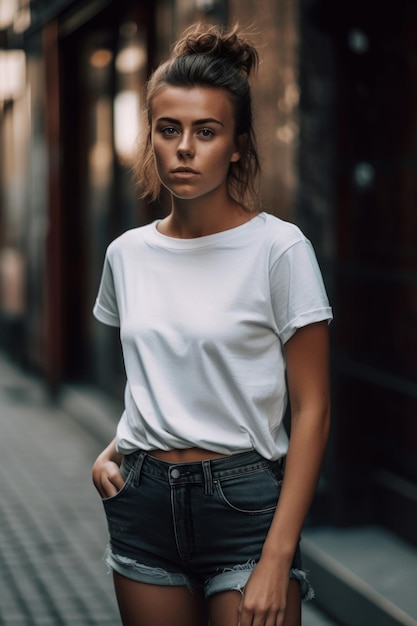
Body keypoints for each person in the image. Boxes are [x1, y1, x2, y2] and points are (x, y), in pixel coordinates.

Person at [92, 22, 332, 626]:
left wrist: (278, 556)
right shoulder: (126, 254)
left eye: (207, 131)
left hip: (245, 507)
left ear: (238, 144)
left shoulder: (280, 249)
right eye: (168, 129)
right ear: (150, 136)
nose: (184, 148)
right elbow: (162, 374)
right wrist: (115, 449)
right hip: (142, 502)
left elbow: (312, 410)